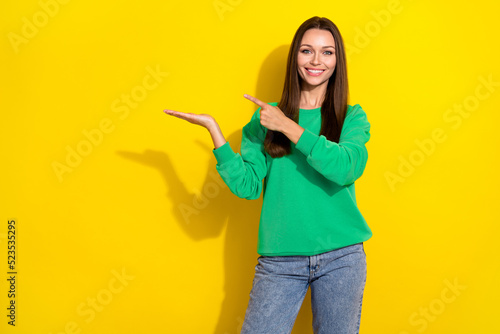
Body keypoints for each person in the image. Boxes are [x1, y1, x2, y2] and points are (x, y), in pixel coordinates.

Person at [163, 16, 372, 334]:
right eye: (307, 51)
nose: (316, 60)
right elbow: (247, 186)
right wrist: (216, 133)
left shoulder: (351, 116)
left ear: (337, 61)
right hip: (280, 260)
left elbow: (346, 168)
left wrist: (287, 125)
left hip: (342, 257)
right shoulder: (266, 117)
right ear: (295, 59)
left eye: (327, 52)